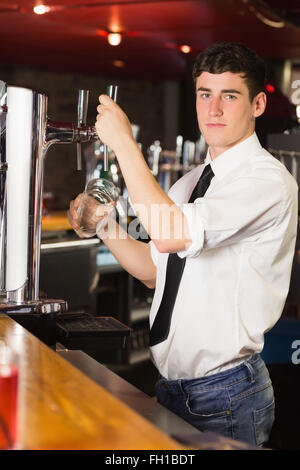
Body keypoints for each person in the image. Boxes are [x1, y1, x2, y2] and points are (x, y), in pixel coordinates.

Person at [68, 42, 298, 447]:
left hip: (226, 394)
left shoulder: (266, 181)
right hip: (172, 389)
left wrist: (124, 143)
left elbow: (171, 232)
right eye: (205, 94)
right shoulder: (188, 183)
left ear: (258, 104)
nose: (214, 109)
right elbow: (156, 270)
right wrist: (104, 225)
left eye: (230, 96)